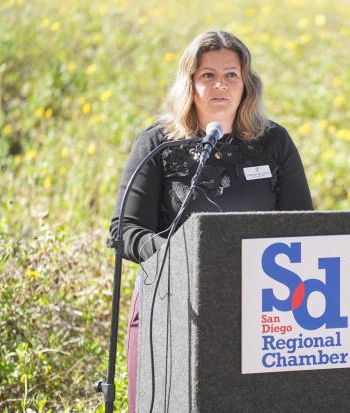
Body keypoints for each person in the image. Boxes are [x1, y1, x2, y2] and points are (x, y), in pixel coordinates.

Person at [109, 30, 313, 412]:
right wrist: (185, 257)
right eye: (207, 75)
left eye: (231, 75)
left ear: (246, 84)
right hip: (170, 308)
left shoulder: (274, 143)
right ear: (190, 83)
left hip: (256, 308)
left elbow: (302, 226)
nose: (220, 85)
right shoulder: (159, 144)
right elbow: (125, 231)